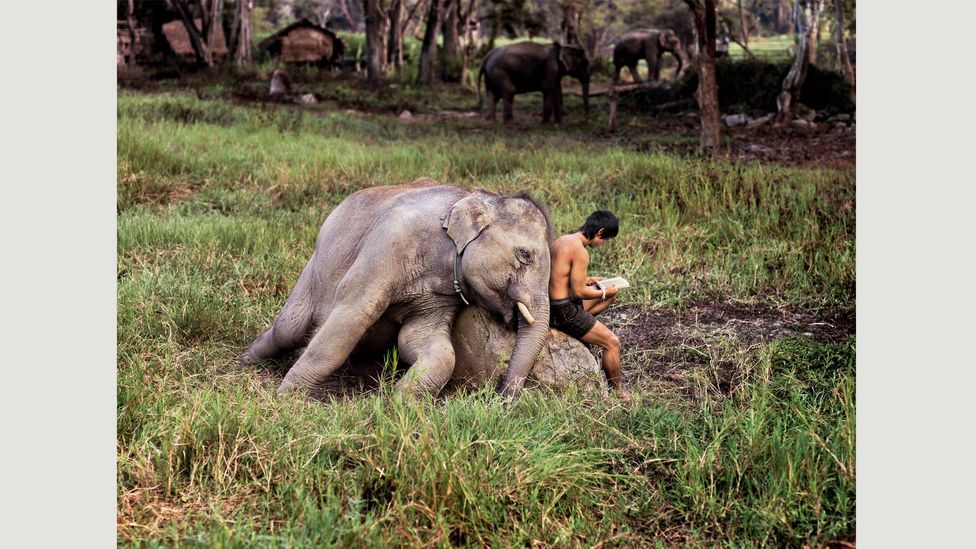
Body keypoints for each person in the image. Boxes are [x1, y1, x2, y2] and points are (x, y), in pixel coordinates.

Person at [548, 210, 629, 400]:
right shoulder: (581, 252)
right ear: (600, 232)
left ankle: (586, 328)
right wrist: (603, 291)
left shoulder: (563, 241)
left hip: (552, 304)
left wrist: (590, 280)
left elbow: (559, 278)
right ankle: (618, 394)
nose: (603, 244)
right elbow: (579, 293)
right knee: (612, 342)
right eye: (606, 240)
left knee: (611, 295)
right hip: (564, 310)